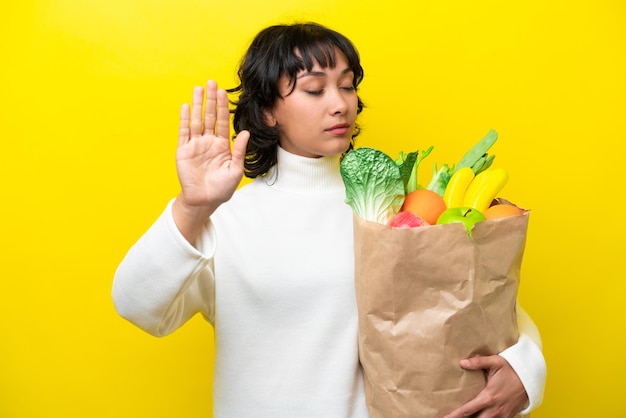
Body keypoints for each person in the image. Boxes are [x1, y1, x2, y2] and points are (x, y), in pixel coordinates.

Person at [112, 22, 546, 418]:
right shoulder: (227, 220)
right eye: (315, 90)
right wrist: (192, 208)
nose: (340, 104)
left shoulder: (392, 208)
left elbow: (477, 299)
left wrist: (525, 369)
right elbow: (137, 306)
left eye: (347, 86)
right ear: (267, 111)